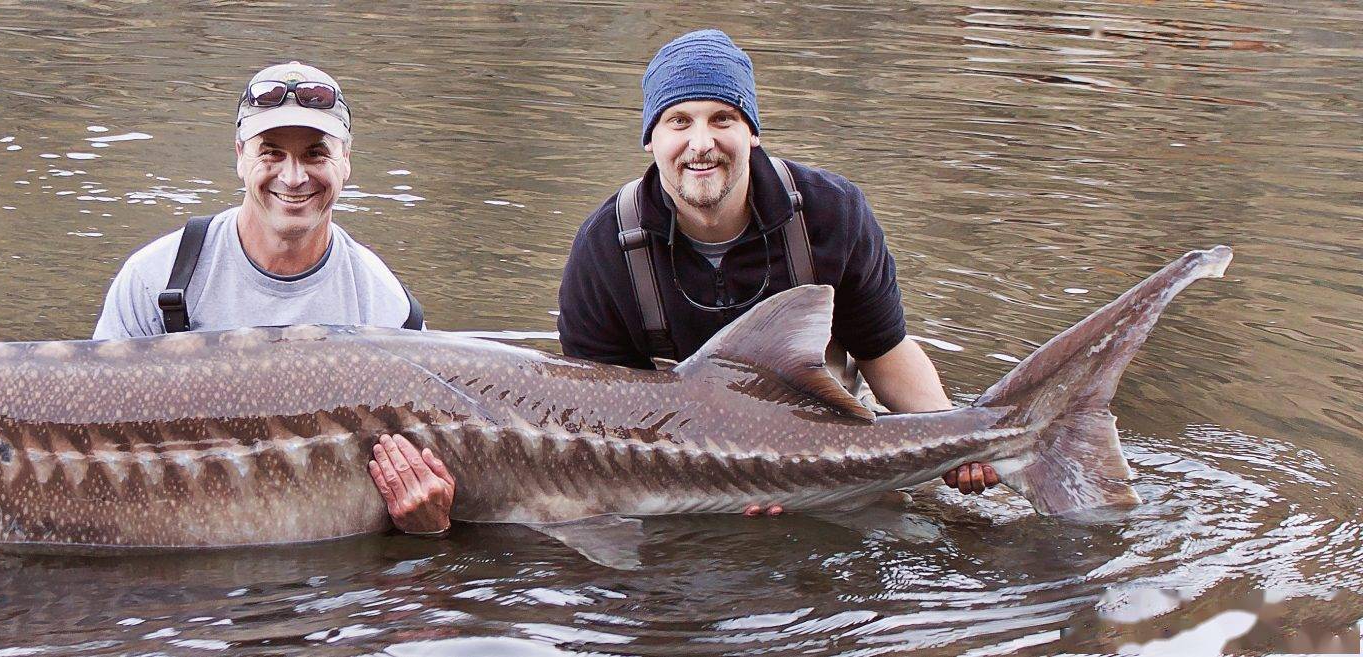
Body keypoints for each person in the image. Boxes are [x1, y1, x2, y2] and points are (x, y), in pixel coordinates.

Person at [556, 30, 999, 509]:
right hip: (678, 464)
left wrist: (958, 436)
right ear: (651, 139)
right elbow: (596, 420)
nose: (701, 143)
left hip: (822, 443)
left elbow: (884, 350)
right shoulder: (605, 248)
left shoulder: (832, 213)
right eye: (679, 121)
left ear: (752, 132)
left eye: (722, 118)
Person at [90, 61, 452, 533]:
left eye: (316, 154)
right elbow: (92, 429)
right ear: (240, 155)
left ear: (346, 161)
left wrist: (433, 524)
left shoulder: (388, 308)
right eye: (272, 152)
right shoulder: (156, 280)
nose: (295, 176)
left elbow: (432, 470)